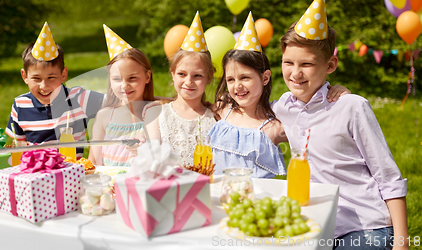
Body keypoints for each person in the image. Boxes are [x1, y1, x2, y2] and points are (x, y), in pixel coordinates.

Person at [271, 1, 408, 249]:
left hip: (364, 226)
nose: (295, 73)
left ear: (330, 66)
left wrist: (401, 242)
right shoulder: (283, 107)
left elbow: (388, 176)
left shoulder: (351, 106)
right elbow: (246, 110)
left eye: (307, 64)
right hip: (315, 224)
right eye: (288, 62)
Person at [6, 22, 105, 159]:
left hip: (71, 173)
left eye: (51, 77)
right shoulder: (20, 104)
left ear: (63, 75)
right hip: (35, 174)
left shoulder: (79, 98)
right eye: (36, 78)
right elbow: (19, 143)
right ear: (25, 76)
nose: (44, 86)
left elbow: (115, 102)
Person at [208, 12, 287, 179]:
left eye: (245, 77)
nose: (237, 86)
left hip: (254, 202)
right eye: (230, 79)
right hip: (219, 198)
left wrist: (332, 91)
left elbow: (313, 122)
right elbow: (190, 106)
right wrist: (156, 100)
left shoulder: (274, 127)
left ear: (265, 78)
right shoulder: (223, 109)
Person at [144, 12, 217, 167]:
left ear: (209, 78)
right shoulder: (157, 115)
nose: (188, 82)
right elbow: (152, 160)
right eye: (182, 74)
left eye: (197, 75)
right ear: (173, 74)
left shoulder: (215, 118)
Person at [88, 25, 157, 167]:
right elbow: (93, 162)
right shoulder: (104, 117)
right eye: (117, 79)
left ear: (147, 76)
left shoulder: (156, 115)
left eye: (132, 78)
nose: (124, 86)